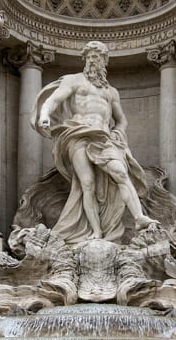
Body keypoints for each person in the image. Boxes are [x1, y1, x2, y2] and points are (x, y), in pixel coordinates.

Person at [33, 40, 157, 244]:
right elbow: (53, 100)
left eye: (97, 57)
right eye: (89, 57)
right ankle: (96, 232)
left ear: (104, 61)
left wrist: (118, 131)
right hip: (78, 134)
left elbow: (121, 120)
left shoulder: (111, 92)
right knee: (87, 184)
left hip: (104, 137)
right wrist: (44, 114)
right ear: (84, 60)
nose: (93, 60)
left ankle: (139, 217)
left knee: (121, 172)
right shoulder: (74, 81)